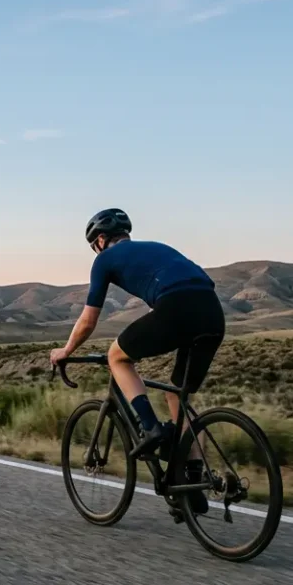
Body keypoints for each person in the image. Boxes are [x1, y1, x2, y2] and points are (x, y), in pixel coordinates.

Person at [49, 208, 225, 512]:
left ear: (101, 240)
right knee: (177, 394)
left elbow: (89, 320)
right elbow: (196, 283)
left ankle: (151, 428)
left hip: (177, 306)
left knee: (117, 356)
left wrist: (66, 350)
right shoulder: (157, 248)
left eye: (94, 245)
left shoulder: (103, 260)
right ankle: (193, 484)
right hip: (212, 313)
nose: (95, 250)